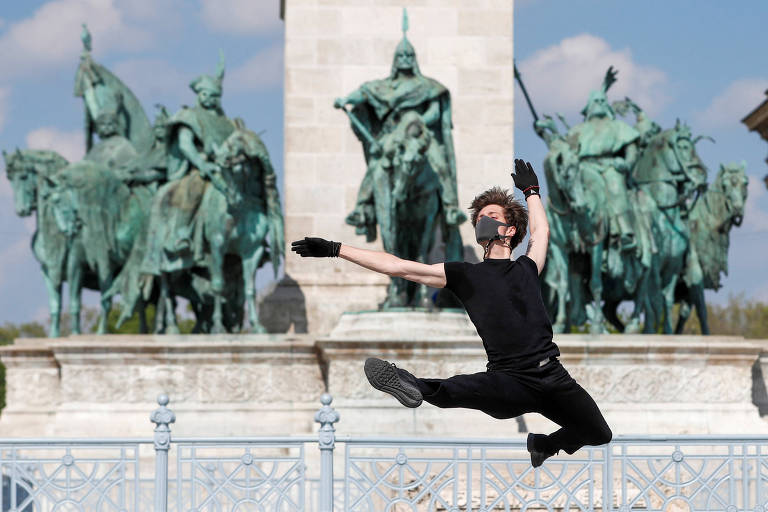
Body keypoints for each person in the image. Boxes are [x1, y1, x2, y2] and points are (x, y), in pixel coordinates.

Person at [291, 159, 612, 467]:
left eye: (490, 215)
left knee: (599, 433)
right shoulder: (464, 274)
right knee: (452, 390)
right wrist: (336, 249)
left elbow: (541, 232)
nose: (481, 220)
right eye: (479, 218)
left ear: (510, 230)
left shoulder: (527, 267)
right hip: (508, 380)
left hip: (553, 376)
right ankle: (407, 382)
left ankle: (544, 445)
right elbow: (399, 266)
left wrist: (532, 193)